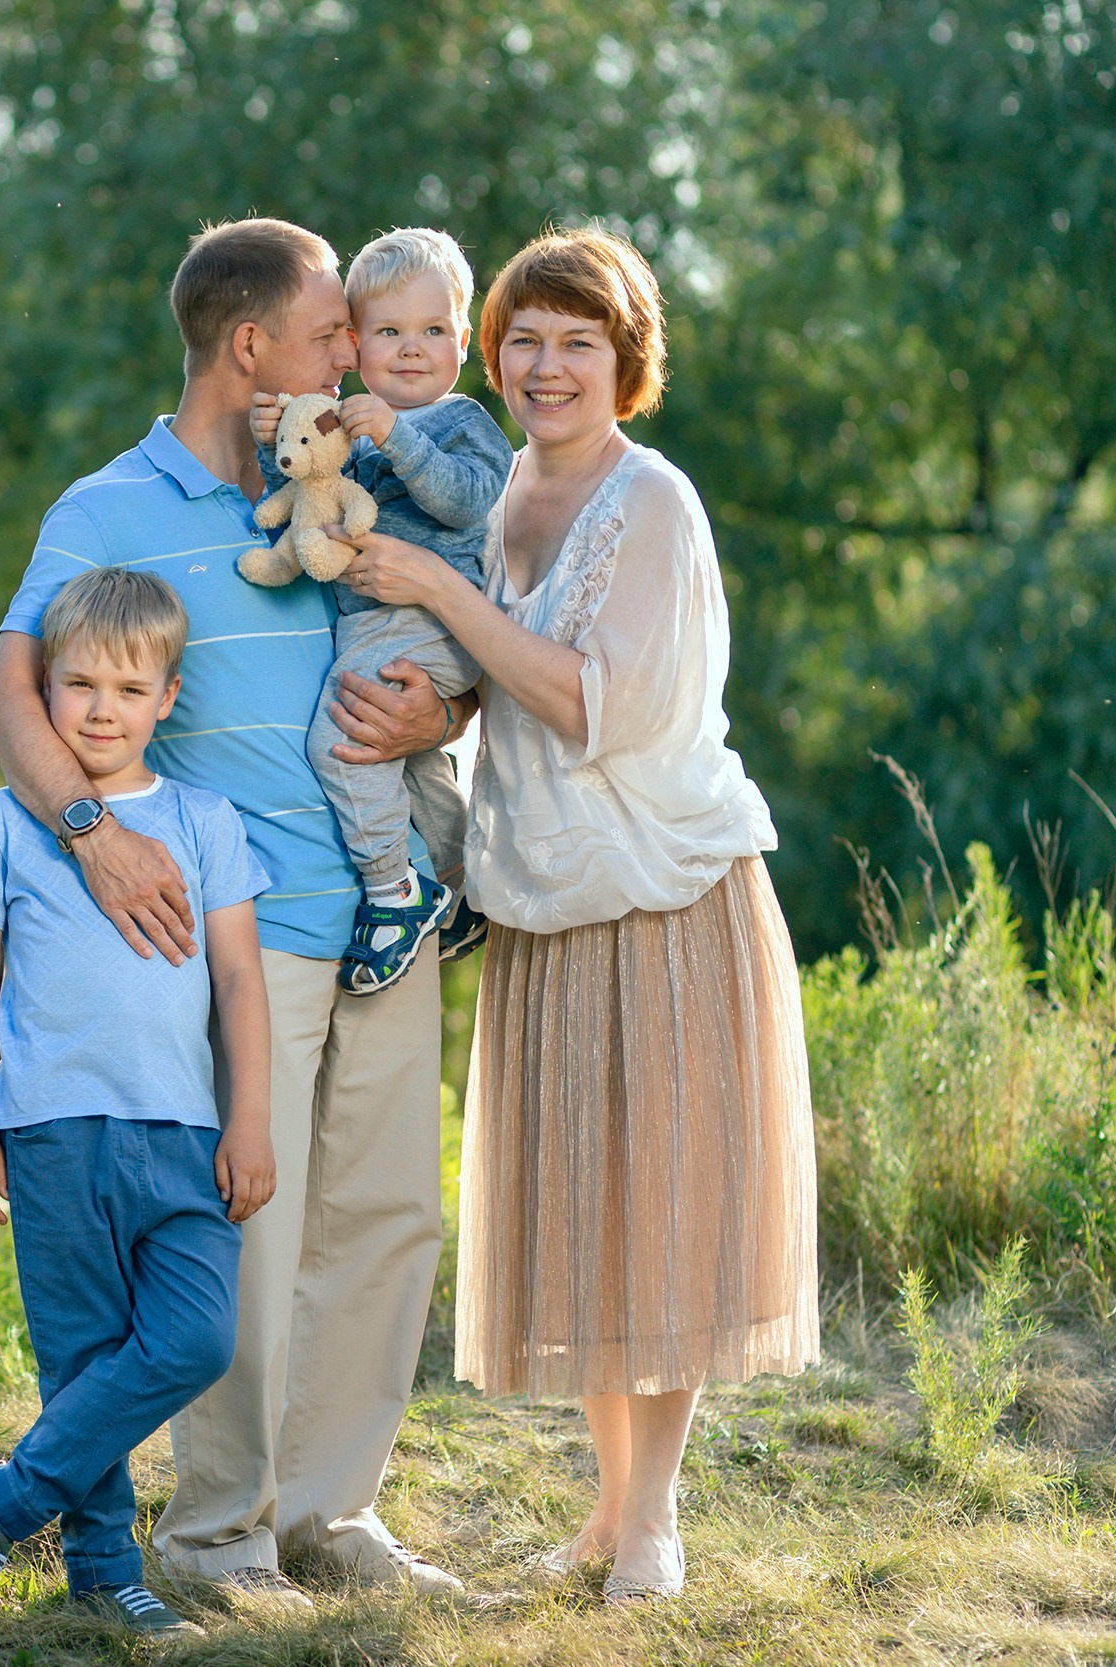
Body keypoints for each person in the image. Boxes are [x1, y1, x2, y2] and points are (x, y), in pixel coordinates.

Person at [0, 218, 468, 1607]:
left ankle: (331, 1513)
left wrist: (451, 702)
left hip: (388, 913)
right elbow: (10, 699)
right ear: (250, 348)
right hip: (237, 939)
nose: (355, 356)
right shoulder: (105, 510)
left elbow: (457, 623)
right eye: (329, 333)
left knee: (385, 1222)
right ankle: (220, 1537)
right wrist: (90, 832)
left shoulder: (362, 479)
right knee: (249, 1235)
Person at [329, 225, 820, 1605]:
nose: (547, 367)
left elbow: (600, 701)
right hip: (544, 895)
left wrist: (429, 592)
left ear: (626, 360)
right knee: (586, 1210)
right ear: (496, 356)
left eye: (578, 342)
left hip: (663, 890)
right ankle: (607, 1510)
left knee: (662, 1208)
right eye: (525, 341)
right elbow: (497, 675)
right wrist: (437, 704)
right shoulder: (503, 496)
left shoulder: (649, 501)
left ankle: (655, 1517)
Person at [0, 566, 277, 1643]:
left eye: (127, 689)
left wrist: (251, 1117)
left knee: (195, 1337)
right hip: (50, 1130)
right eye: (75, 683)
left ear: (166, 697)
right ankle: (102, 1570)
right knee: (81, 1357)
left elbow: (238, 981)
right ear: (40, 694)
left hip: (181, 1133)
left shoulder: (205, 820)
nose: (98, 707)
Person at [247, 227, 514, 997]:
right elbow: (309, 495)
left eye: (433, 331)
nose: (411, 349)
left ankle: (396, 891)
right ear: (356, 345)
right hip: (371, 623)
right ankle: (461, 888)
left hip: (431, 622)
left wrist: (398, 438)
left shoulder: (461, 422)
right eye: (390, 332)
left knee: (342, 741)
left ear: (462, 342)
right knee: (410, 765)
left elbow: (466, 500)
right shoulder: (347, 423)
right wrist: (277, 444)